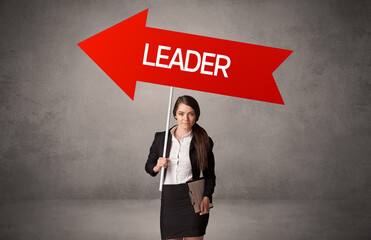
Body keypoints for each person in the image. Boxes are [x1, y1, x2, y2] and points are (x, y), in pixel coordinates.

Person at [145, 95, 216, 240]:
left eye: (191, 114)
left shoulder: (204, 140)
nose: (186, 119)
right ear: (174, 115)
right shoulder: (161, 138)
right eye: (181, 114)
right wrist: (157, 166)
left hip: (193, 198)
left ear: (196, 116)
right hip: (170, 199)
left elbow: (210, 175)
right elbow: (148, 166)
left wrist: (207, 197)